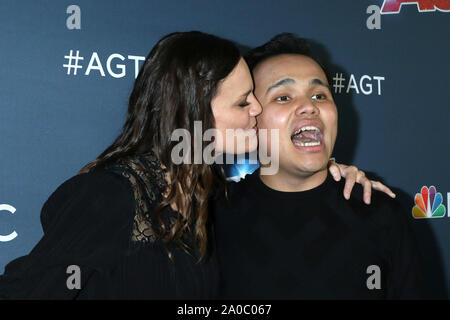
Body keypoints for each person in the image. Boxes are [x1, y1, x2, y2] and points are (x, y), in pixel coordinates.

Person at [0, 31, 393, 299]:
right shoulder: (112, 195)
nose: (256, 110)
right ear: (193, 115)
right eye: (243, 103)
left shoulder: (206, 200)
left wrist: (330, 175)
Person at [213, 33, 425, 299]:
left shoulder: (379, 214)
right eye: (283, 97)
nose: (309, 107)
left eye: (319, 95)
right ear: (251, 117)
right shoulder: (213, 216)